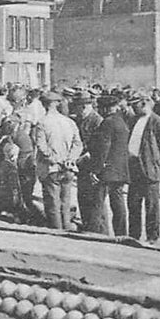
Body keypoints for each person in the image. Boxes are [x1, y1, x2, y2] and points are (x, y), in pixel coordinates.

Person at [126, 93, 160, 244]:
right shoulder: (133, 120)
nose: (134, 108)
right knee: (133, 203)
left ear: (145, 103)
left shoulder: (157, 122)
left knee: (151, 205)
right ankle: (134, 234)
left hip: (150, 169)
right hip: (134, 168)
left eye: (136, 105)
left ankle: (152, 236)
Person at [33, 91, 83, 230]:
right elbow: (78, 143)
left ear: (44, 105)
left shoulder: (42, 123)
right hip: (68, 168)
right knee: (65, 203)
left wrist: (55, 159)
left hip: (52, 168)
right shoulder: (69, 122)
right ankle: (66, 229)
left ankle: (56, 232)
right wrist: (70, 159)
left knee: (52, 204)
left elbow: (41, 147)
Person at [87, 94, 130, 236]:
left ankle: (95, 232)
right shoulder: (121, 122)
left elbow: (103, 149)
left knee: (97, 202)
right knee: (118, 203)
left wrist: (96, 170)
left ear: (105, 108)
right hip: (120, 169)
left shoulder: (107, 123)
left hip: (106, 170)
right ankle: (121, 233)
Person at [70, 91, 103, 231]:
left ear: (83, 106)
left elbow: (101, 146)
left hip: (93, 165)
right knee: (82, 197)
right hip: (81, 166)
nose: (74, 110)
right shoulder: (78, 119)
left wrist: (86, 156)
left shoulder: (97, 121)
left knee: (95, 201)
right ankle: (87, 226)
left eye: (76, 107)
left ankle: (97, 231)